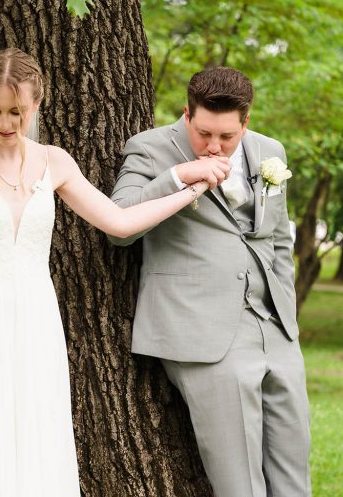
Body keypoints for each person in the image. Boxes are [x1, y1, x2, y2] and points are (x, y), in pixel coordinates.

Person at [0, 48, 230, 497]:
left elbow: (117, 221)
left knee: (31, 434)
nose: (4, 123)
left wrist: (188, 187)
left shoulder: (55, 162)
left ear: (36, 105)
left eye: (16, 112)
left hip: (35, 322)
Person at [109, 66, 311, 496]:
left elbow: (277, 241)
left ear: (246, 122)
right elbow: (117, 225)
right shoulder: (149, 149)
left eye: (226, 137)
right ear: (187, 112)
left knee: (293, 472)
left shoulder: (270, 150)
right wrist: (179, 178)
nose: (214, 146)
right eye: (203, 133)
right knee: (240, 484)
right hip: (201, 333)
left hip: (274, 329)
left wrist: (286, 320)